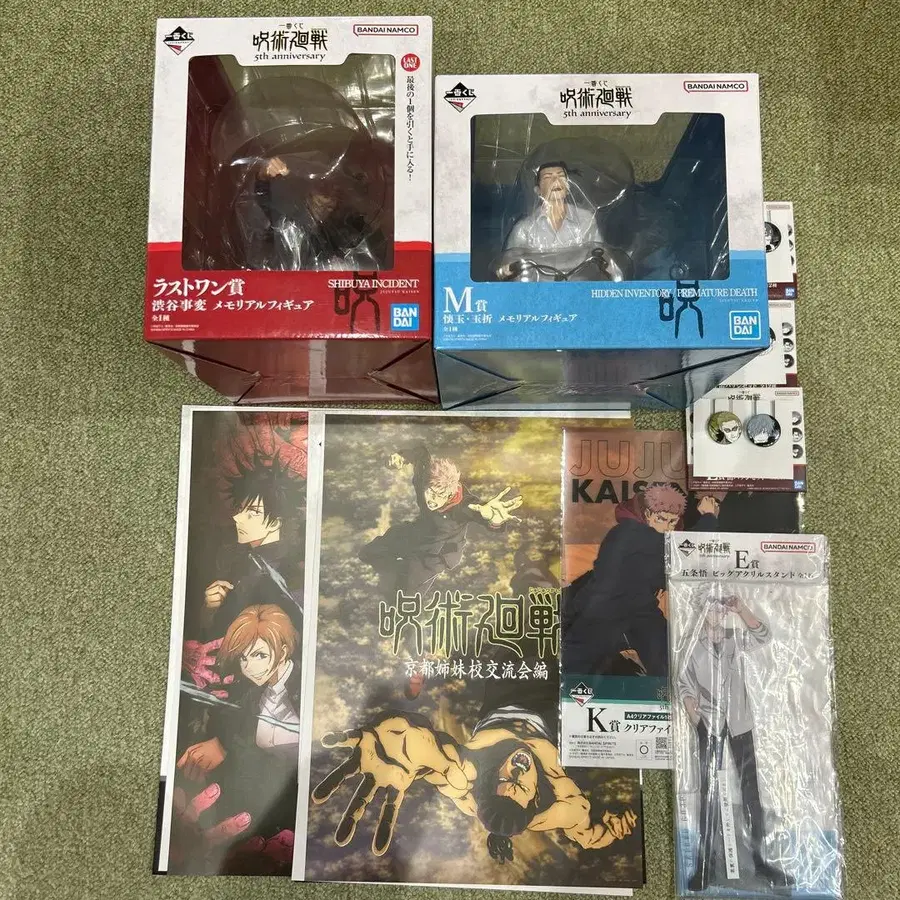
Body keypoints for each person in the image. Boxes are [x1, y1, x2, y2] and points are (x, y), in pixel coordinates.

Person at [311, 659, 637, 863]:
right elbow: (587, 832)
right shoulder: (556, 806)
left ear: (488, 783)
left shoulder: (466, 779)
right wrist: (613, 829)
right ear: (535, 798)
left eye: (504, 781)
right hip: (556, 713)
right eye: (521, 787)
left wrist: (396, 746)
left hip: (508, 692)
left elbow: (440, 761)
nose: (516, 772)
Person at [677, 592, 793, 891]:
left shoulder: (733, 637)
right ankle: (704, 865)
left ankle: (760, 861)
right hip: (709, 723)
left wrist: (742, 609)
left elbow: (763, 636)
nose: (718, 611)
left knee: (750, 791)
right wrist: (693, 712)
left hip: (740, 721)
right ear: (701, 609)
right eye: (711, 606)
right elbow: (683, 682)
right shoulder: (691, 644)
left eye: (721, 606)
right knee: (709, 793)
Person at [176, 605, 302, 871]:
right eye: (244, 658)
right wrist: (220, 748)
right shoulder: (250, 695)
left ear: (282, 652)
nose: (249, 667)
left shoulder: (304, 688)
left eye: (259, 655)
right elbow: (238, 731)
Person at [563, 483, 719, 677]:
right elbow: (682, 549)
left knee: (670, 664)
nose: (666, 526)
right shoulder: (629, 531)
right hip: (604, 612)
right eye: (661, 519)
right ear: (647, 514)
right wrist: (709, 516)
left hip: (639, 610)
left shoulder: (645, 538)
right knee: (574, 669)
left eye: (672, 521)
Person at [359, 442, 523, 598]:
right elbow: (421, 454)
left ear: (450, 494)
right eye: (430, 492)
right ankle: (398, 573)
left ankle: (404, 582)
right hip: (417, 532)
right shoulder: (424, 477)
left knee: (405, 595)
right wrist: (403, 456)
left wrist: (495, 521)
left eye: (439, 495)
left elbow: (482, 516)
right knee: (368, 553)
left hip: (437, 553)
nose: (432, 500)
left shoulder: (465, 505)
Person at [497, 162, 627, 281]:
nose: (556, 180)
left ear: (568, 186)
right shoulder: (525, 228)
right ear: (538, 190)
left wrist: (614, 273)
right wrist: (507, 269)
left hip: (578, 288)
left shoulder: (586, 220)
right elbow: (508, 264)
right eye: (548, 177)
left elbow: (600, 253)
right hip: (541, 291)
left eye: (561, 176)